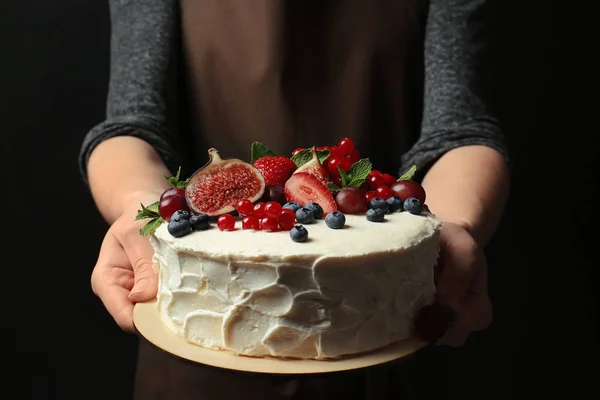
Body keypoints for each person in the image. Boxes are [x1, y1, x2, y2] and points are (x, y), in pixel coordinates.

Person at [79, 0, 510, 398]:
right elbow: (132, 122)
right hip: (197, 358)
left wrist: (455, 224)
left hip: (395, 344)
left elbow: (459, 129)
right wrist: (139, 206)